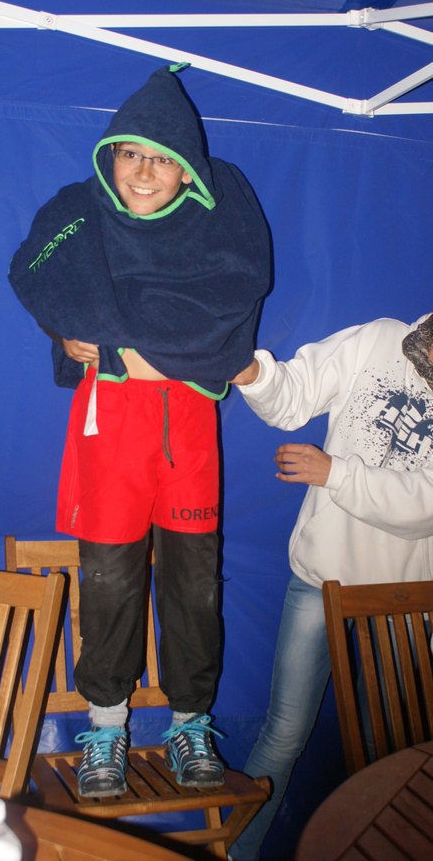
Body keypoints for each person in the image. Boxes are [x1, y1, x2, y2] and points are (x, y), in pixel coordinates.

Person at [8, 63, 271, 799]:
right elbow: (46, 283)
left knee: (194, 581)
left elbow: (223, 336)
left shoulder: (222, 222)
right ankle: (105, 726)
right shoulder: (80, 212)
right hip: (111, 431)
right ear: (109, 157)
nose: (145, 170)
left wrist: (125, 351)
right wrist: (74, 337)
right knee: (109, 577)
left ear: (190, 173)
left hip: (186, 431)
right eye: (130, 153)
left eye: (162, 157)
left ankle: (191, 722)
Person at [228, 311, 433, 860]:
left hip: (400, 602)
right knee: (282, 735)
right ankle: (235, 855)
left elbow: (427, 505)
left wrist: (335, 473)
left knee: (388, 751)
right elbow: (295, 393)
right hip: (322, 577)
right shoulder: (380, 339)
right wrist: (253, 373)